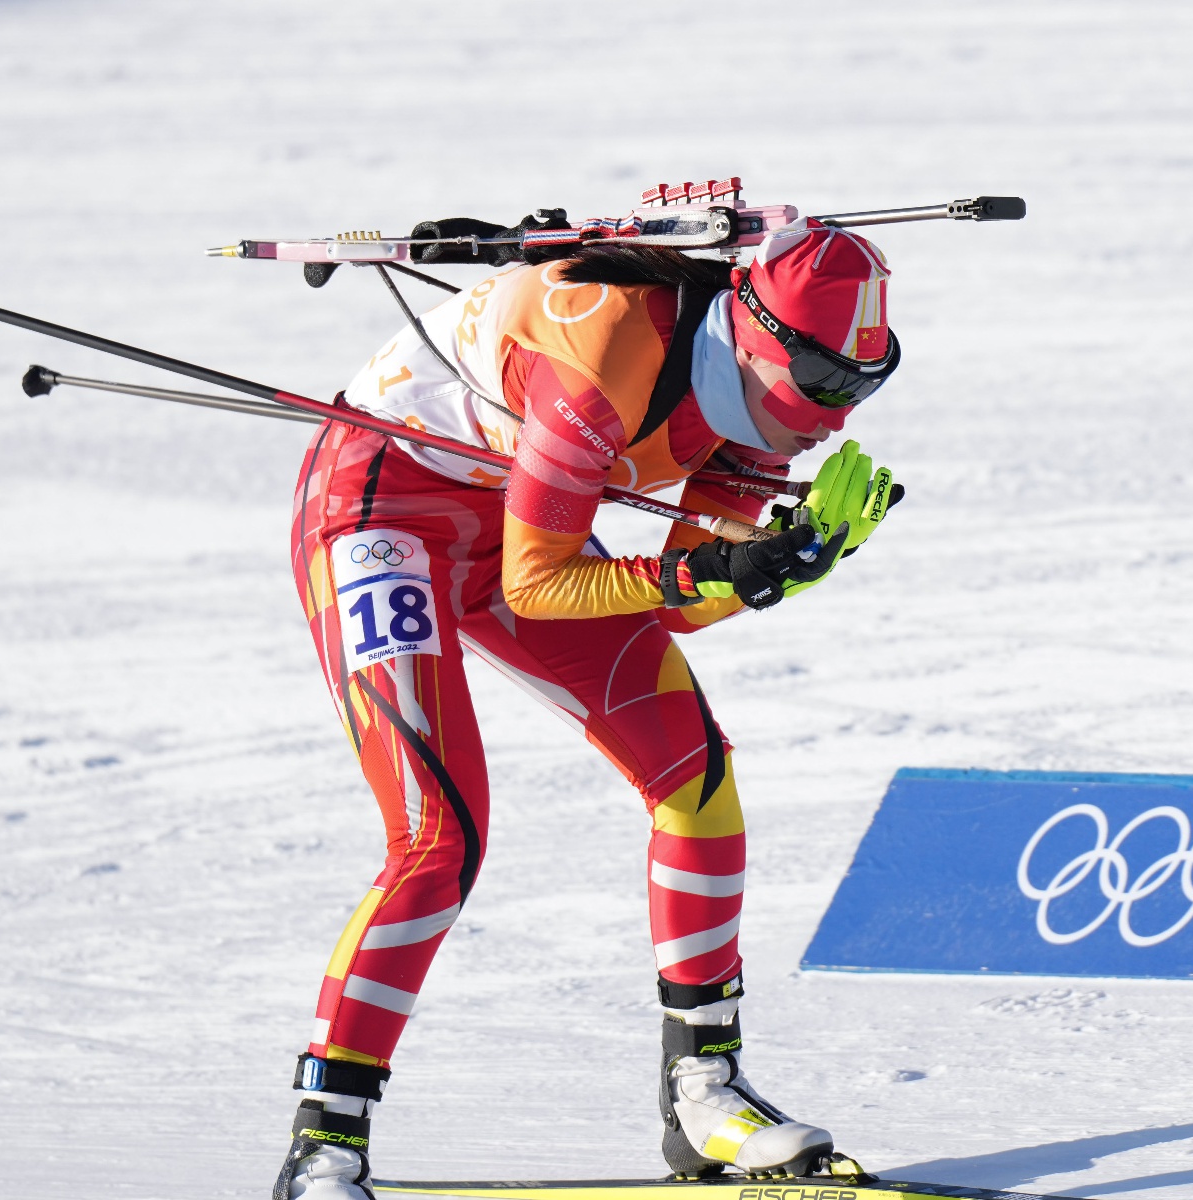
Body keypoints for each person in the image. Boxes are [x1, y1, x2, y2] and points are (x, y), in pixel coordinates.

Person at [275, 218, 901, 1200]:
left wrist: (777, 568)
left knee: (693, 778)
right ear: (755, 338)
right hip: (380, 512)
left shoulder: (759, 409)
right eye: (823, 383)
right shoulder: (605, 352)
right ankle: (327, 1144)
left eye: (867, 385)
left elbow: (686, 601)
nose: (834, 417)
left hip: (514, 526)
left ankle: (706, 1091)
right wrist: (722, 564)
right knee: (437, 836)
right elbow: (539, 588)